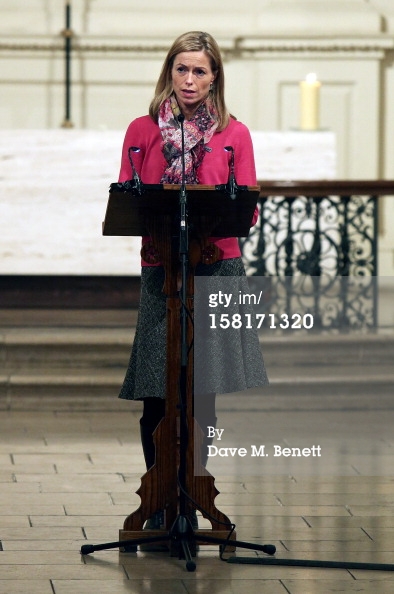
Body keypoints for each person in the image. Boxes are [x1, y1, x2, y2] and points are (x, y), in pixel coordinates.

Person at [117, 31, 268, 530]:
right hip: (164, 270)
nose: (189, 79)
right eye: (182, 69)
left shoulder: (234, 133)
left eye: (199, 70)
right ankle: (160, 499)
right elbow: (130, 199)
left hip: (216, 266)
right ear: (169, 72)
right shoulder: (142, 130)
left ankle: (192, 496)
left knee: (204, 394)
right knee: (157, 392)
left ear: (214, 76)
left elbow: (245, 210)